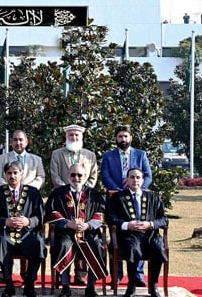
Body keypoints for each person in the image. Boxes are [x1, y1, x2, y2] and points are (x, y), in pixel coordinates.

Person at [0, 161, 46, 297]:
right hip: (6, 234)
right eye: (9, 173)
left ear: (21, 173)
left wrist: (28, 221)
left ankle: (29, 283)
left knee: (39, 243)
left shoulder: (33, 193)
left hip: (27, 234)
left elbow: (41, 216)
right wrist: (4, 221)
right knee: (1, 242)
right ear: (5, 175)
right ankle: (9, 285)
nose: (12, 176)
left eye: (15, 172)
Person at [101, 125, 152, 284]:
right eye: (120, 137)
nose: (123, 139)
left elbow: (148, 175)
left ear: (131, 138)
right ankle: (117, 275)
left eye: (126, 136)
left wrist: (137, 189)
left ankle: (137, 275)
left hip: (137, 199)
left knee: (138, 232)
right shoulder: (108, 156)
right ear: (116, 139)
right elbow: (105, 175)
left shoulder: (140, 154)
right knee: (116, 236)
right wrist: (119, 191)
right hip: (115, 199)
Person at [45, 163, 107, 297]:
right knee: (63, 245)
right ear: (68, 176)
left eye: (80, 175)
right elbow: (51, 212)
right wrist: (68, 223)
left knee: (96, 245)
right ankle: (65, 287)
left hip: (88, 233)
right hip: (66, 233)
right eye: (73, 175)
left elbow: (101, 213)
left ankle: (91, 286)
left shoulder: (93, 194)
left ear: (85, 176)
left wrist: (88, 225)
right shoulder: (59, 193)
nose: (76, 178)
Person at [106, 168, 168, 297]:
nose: (135, 180)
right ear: (127, 180)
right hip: (128, 236)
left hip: (150, 235)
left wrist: (150, 224)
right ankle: (132, 285)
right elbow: (110, 218)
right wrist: (127, 225)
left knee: (158, 248)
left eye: (138, 177)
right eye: (132, 177)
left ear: (143, 180)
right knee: (132, 248)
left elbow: (164, 219)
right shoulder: (118, 197)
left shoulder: (153, 197)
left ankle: (153, 285)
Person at [50, 124, 98, 189]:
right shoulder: (57, 154)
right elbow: (54, 175)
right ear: (66, 137)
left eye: (76, 135)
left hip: (85, 195)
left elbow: (93, 176)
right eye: (71, 135)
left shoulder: (90, 155)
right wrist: (65, 189)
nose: (74, 138)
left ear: (81, 137)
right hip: (62, 194)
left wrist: (84, 190)